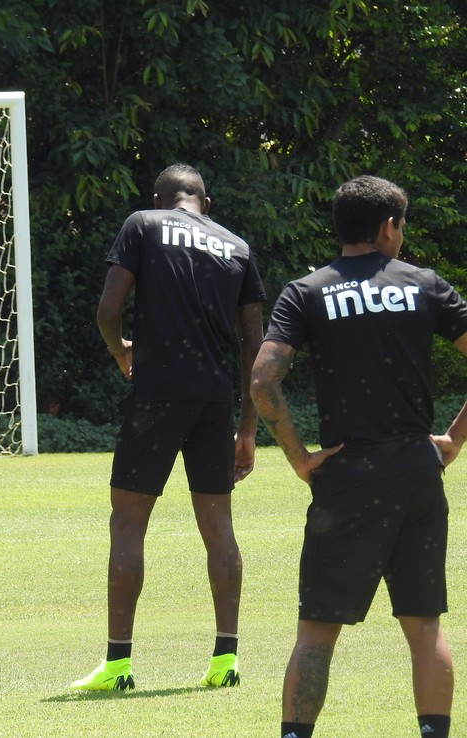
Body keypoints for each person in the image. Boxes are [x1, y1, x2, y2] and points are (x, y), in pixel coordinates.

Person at [250, 175, 467, 738]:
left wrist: (299, 457)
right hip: (418, 472)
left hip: (347, 477)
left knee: (316, 631)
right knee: (425, 629)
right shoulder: (425, 285)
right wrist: (454, 440)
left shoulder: (307, 290)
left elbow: (262, 380)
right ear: (389, 226)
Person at [71, 163, 265, 692]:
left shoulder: (143, 223)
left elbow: (108, 310)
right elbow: (256, 345)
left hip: (157, 393)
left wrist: (119, 353)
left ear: (159, 198)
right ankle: (225, 661)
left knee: (129, 523)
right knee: (218, 528)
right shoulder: (238, 248)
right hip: (215, 400)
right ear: (207, 201)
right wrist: (248, 428)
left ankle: (117, 666)